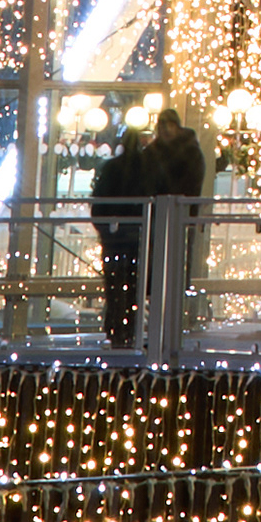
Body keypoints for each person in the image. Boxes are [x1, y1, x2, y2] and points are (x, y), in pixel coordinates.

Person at [89, 110, 158, 346]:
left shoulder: (112, 168)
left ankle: (116, 327)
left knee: (115, 284)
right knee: (134, 284)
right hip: (138, 236)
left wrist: (106, 229)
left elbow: (98, 202)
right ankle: (131, 327)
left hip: (116, 236)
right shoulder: (148, 170)